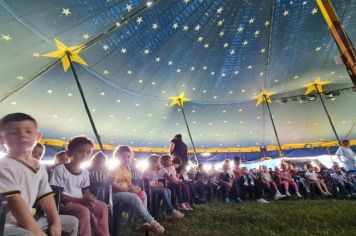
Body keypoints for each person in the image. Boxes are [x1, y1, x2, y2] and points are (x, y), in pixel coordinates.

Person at [0, 112, 78, 236]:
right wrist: (37, 232)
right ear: (1, 139)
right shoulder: (3, 165)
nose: (22, 135)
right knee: (28, 235)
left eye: (28, 131)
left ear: (37, 137)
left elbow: (46, 197)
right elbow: (15, 202)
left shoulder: (39, 166)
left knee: (71, 222)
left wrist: (56, 222)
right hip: (5, 224)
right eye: (14, 132)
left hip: (29, 219)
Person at [50, 136, 110, 236]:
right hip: (64, 204)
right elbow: (57, 195)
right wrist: (80, 201)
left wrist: (90, 197)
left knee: (102, 207)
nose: (84, 155)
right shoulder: (60, 170)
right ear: (69, 153)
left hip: (80, 201)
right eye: (80, 151)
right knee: (83, 211)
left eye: (88, 152)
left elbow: (85, 191)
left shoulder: (85, 172)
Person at [109, 145, 164, 235]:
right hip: (115, 195)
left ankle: (141, 221)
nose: (126, 159)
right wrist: (128, 190)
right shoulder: (115, 169)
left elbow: (129, 184)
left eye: (128, 156)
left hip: (126, 194)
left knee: (143, 194)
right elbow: (113, 186)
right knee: (134, 197)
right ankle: (151, 221)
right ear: (117, 157)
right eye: (123, 157)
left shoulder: (128, 170)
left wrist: (135, 188)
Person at [142, 154, 184, 220]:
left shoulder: (155, 172)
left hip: (154, 189)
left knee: (168, 190)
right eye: (159, 162)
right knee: (164, 190)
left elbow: (155, 182)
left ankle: (166, 212)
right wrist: (158, 186)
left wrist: (159, 185)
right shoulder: (147, 171)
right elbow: (147, 184)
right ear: (154, 164)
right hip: (148, 190)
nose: (161, 163)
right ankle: (170, 211)